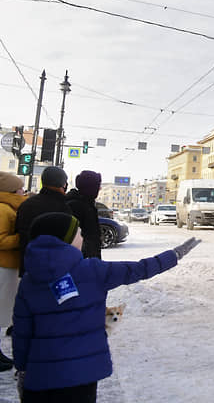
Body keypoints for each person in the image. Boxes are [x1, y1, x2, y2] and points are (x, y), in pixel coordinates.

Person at [13, 211, 200, 401]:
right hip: (81, 375)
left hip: (40, 377)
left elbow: (22, 332)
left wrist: (22, 370)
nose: (83, 237)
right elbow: (138, 269)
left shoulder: (29, 281)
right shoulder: (92, 271)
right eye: (79, 233)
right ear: (66, 240)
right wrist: (175, 255)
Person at [14, 166, 72, 276]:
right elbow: (67, 240)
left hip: (28, 264)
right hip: (52, 268)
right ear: (63, 184)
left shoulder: (26, 204)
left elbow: (18, 231)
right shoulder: (63, 208)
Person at [0, 172, 27, 370]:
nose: (23, 191)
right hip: (2, 266)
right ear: (10, 190)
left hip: (7, 266)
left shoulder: (9, 207)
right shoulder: (2, 209)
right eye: (20, 188)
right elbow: (0, 240)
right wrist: (21, 238)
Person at [65, 171, 103, 259]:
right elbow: (87, 239)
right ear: (91, 188)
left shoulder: (86, 204)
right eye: (98, 186)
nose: (99, 189)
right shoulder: (78, 207)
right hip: (82, 262)